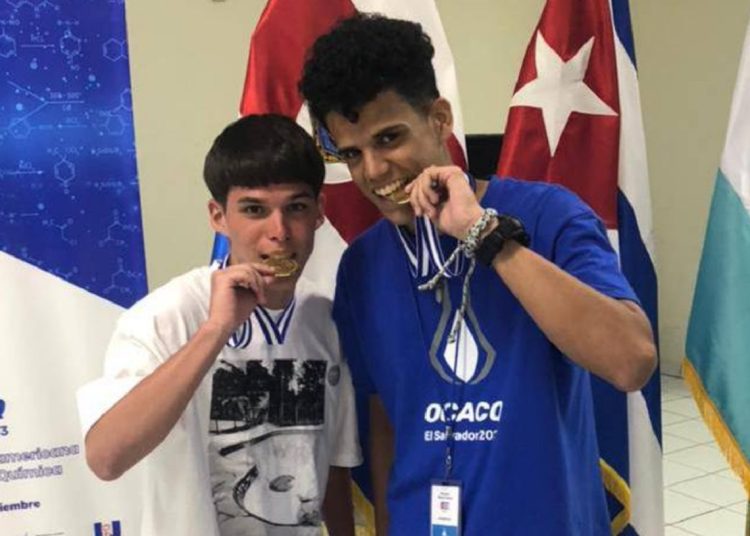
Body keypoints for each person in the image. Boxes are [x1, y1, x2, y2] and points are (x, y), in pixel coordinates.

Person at [299, 13, 657, 536]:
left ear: (440, 119)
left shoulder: (549, 216)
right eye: (352, 153)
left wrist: (482, 235)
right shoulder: (362, 265)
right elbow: (383, 419)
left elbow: (631, 362)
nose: (373, 171)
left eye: (390, 138)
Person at [77, 114, 361, 536]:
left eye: (296, 208)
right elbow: (106, 458)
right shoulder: (166, 317)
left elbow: (332, 470)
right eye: (254, 210)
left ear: (319, 213)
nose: (278, 231)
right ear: (218, 216)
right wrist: (214, 331)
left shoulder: (325, 319)